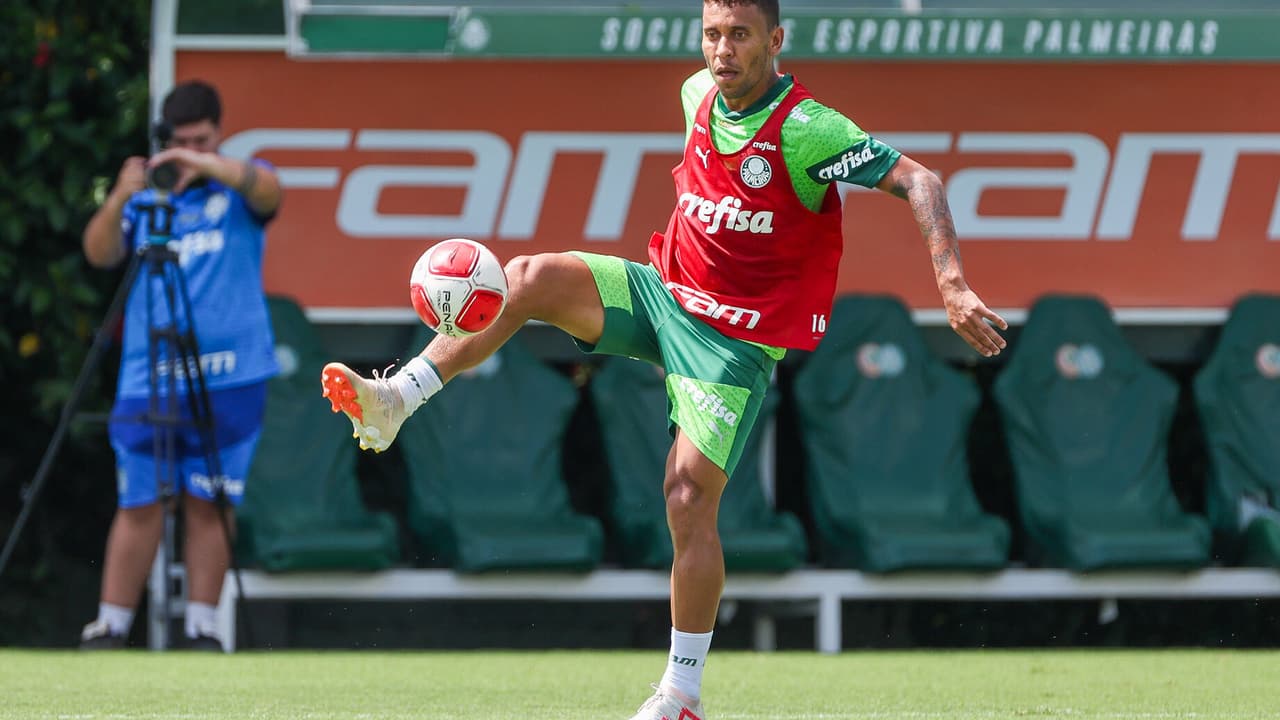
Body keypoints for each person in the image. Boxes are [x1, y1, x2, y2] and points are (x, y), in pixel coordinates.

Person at [322, 0, 1006, 716]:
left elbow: (920, 181)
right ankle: (396, 399)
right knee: (524, 280)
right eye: (712, 33)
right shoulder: (697, 94)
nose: (723, 49)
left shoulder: (807, 129)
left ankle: (681, 691)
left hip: (733, 342)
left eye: (740, 35)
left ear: (775, 41)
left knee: (686, 500)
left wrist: (952, 285)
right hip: (663, 296)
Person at [79, 80, 282, 650]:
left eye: (202, 139)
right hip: (151, 375)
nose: (190, 151)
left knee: (211, 500)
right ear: (164, 138)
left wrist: (205, 164)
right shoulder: (149, 194)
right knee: (141, 499)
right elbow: (99, 253)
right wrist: (122, 195)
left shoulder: (238, 182)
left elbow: (269, 191)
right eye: (182, 142)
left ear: (218, 134)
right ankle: (111, 626)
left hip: (235, 374)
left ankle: (200, 627)